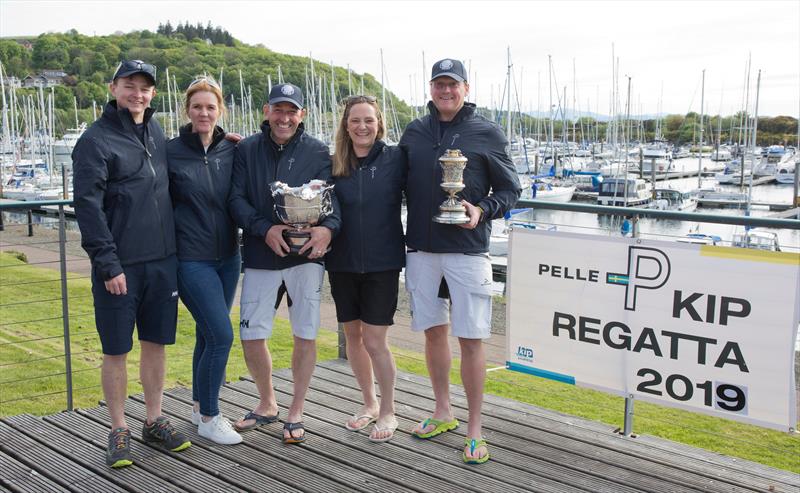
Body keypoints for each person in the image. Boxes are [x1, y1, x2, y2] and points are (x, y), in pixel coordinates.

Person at [399, 58, 521, 464]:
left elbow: (510, 190)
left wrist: (482, 210)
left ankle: (475, 429)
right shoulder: (414, 131)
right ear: (430, 88)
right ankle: (442, 412)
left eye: (453, 84)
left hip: (468, 249)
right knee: (433, 333)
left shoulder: (486, 132)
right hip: (421, 248)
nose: (445, 91)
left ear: (466, 89)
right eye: (439, 84)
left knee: (471, 338)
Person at [72, 60, 191, 468]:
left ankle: (153, 420)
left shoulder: (155, 132)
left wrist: (227, 142)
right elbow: (87, 208)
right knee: (116, 350)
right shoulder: (95, 140)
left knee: (156, 344)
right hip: (120, 267)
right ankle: (119, 428)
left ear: (153, 94)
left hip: (162, 262)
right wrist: (108, 265)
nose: (137, 93)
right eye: (129, 85)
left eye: (144, 87)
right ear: (114, 87)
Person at [228, 82, 340, 444]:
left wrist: (329, 231)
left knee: (305, 333)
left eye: (291, 111)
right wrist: (265, 229)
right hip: (262, 253)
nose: (284, 117)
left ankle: (296, 410)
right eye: (278, 109)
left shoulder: (319, 151)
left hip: (306, 257)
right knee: (251, 334)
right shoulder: (246, 149)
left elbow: (331, 205)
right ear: (266, 111)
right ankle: (267, 402)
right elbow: (236, 200)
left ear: (301, 115)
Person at [167, 76, 241, 445]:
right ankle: (211, 417)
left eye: (210, 107)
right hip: (191, 258)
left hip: (229, 257)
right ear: (187, 110)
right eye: (197, 106)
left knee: (206, 334)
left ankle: (198, 407)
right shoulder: (170, 151)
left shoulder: (232, 149)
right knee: (221, 334)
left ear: (220, 110)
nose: (204, 112)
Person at [326, 95, 405, 442]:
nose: (362, 126)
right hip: (341, 262)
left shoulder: (396, 159)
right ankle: (369, 404)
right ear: (346, 125)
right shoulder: (334, 163)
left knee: (375, 341)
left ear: (379, 124)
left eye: (368, 120)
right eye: (355, 120)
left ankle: (389, 410)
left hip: (382, 263)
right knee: (353, 338)